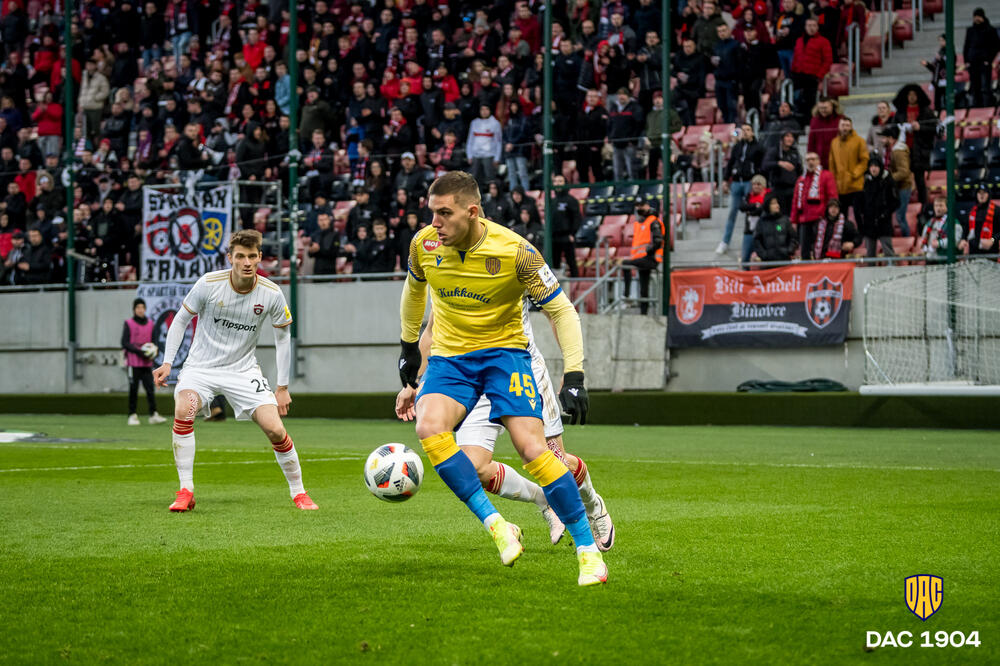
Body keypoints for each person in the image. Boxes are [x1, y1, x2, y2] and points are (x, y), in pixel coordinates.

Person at [394, 171, 606, 586]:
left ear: (471, 212)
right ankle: (497, 526)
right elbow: (414, 289)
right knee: (429, 426)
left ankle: (588, 551)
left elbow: (562, 310)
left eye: (444, 214)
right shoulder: (424, 244)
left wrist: (575, 373)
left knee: (533, 449)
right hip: (451, 359)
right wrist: (406, 346)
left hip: (505, 357)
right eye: (431, 213)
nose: (434, 224)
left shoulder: (515, 251)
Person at [398, 310, 615, 551]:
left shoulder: (516, 270)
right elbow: (431, 331)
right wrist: (411, 383)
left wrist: (572, 372)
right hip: (469, 371)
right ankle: (544, 500)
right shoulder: (446, 273)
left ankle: (594, 506)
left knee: (555, 462)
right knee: (473, 467)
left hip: (519, 367)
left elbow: (559, 311)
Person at [153, 230, 317, 512]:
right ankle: (185, 490)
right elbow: (180, 321)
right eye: (240, 256)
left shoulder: (272, 294)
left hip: (243, 371)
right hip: (200, 369)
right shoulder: (208, 283)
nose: (246, 262)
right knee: (185, 408)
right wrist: (168, 362)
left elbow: (282, 339)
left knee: (275, 429)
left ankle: (299, 493)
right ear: (230, 258)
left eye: (252, 256)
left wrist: (283, 387)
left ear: (260, 258)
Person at [718, 124, 764, 255]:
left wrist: (758, 179)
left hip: (750, 182)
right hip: (737, 182)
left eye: (748, 130)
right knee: (732, 212)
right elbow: (731, 161)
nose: (745, 132)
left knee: (752, 211)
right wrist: (726, 179)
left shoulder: (758, 147)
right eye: (743, 130)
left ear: (753, 132)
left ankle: (753, 241)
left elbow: (762, 165)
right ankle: (725, 242)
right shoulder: (737, 147)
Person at [122, 298, 167, 426]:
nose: (140, 310)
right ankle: (132, 415)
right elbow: (124, 343)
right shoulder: (129, 323)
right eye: (138, 308)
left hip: (147, 363)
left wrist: (154, 351)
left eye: (142, 307)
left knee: (150, 389)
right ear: (134, 309)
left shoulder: (150, 324)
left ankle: (153, 414)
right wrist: (140, 351)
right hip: (133, 362)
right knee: (133, 389)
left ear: (145, 309)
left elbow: (154, 342)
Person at [892, 85, 936, 205]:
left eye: (914, 95)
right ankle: (900, 205)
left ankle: (924, 207)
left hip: (919, 151)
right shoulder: (900, 112)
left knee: (920, 180)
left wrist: (920, 127)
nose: (911, 97)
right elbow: (893, 129)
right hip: (903, 151)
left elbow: (934, 128)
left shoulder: (925, 111)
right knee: (901, 179)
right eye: (909, 95)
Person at [791, 152, 838, 260]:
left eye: (813, 159)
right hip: (804, 220)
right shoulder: (801, 180)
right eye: (808, 160)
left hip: (820, 218)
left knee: (821, 249)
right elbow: (795, 201)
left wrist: (831, 215)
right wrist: (794, 220)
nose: (811, 162)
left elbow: (832, 197)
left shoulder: (826, 175)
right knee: (805, 251)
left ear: (818, 161)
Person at [623, 195, 664, 315]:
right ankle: (643, 313)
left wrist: (648, 251)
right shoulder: (639, 223)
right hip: (641, 259)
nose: (639, 208)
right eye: (637, 205)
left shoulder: (653, 221)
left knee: (625, 264)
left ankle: (626, 295)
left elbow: (658, 241)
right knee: (643, 288)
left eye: (641, 205)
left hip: (651, 258)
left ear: (647, 205)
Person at [828, 117, 869, 227]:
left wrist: (854, 174)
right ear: (839, 127)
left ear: (851, 127)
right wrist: (833, 180)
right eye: (843, 125)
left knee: (858, 214)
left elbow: (864, 160)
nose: (845, 128)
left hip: (856, 185)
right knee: (842, 215)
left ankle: (861, 235)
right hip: (840, 186)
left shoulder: (859, 141)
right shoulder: (834, 142)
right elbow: (832, 164)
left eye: (847, 125)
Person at [790, 18, 832, 123]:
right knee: (795, 98)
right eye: (809, 25)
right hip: (798, 74)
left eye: (813, 25)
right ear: (805, 27)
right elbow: (796, 58)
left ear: (817, 27)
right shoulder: (799, 41)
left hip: (812, 76)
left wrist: (819, 75)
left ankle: (809, 121)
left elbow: (828, 61)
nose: (811, 28)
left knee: (810, 101)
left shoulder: (823, 41)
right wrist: (793, 71)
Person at [858, 158, 899, 258]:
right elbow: (861, 201)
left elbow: (896, 201)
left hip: (884, 222)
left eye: (876, 166)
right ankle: (871, 272)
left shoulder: (888, 181)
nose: (873, 169)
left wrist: (885, 213)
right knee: (869, 253)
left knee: (888, 251)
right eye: (871, 166)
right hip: (869, 222)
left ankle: (892, 271)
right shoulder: (865, 182)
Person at [880, 125, 914, 237]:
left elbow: (904, 171)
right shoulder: (892, 150)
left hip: (903, 187)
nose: (881, 140)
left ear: (891, 138)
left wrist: (889, 178)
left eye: (884, 138)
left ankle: (906, 239)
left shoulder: (898, 151)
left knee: (900, 216)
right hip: (898, 187)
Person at [963, 8, 1000, 108]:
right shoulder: (970, 30)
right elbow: (966, 46)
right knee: (975, 86)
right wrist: (966, 60)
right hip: (973, 62)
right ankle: (977, 106)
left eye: (978, 17)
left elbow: (996, 46)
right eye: (975, 17)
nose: (976, 19)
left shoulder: (990, 30)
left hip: (984, 62)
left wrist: (989, 59)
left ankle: (987, 105)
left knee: (985, 86)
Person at [607, 88, 644, 181]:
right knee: (617, 171)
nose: (621, 97)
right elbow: (609, 124)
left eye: (623, 94)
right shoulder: (613, 107)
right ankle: (619, 191)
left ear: (628, 96)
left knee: (632, 169)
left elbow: (639, 125)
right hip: (616, 143)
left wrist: (633, 140)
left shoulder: (635, 107)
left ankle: (634, 191)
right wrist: (610, 137)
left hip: (629, 144)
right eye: (619, 94)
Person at [763, 130, 803, 215]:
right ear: (782, 139)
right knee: (780, 215)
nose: (790, 139)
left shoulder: (794, 152)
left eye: (792, 137)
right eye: (787, 136)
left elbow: (800, 170)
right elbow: (765, 165)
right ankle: (779, 229)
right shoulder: (774, 151)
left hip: (792, 188)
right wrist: (779, 163)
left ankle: (790, 228)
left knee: (792, 214)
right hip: (778, 189)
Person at [549, 175, 582, 277]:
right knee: (554, 264)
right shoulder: (552, 201)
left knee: (571, 262)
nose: (557, 183)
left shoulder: (571, 200)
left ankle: (576, 285)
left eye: (560, 181)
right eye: (555, 181)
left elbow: (577, 218)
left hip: (567, 236)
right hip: (554, 237)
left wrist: (572, 233)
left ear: (565, 183)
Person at [466, 104, 502, 188]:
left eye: (486, 109)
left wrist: (497, 157)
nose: (484, 112)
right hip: (476, 155)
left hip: (489, 155)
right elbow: (470, 140)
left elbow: (498, 142)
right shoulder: (474, 123)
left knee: (490, 179)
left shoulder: (495, 123)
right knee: (474, 179)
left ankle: (491, 197)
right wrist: (469, 155)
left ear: (490, 111)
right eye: (482, 109)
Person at [752, 194, 798, 262]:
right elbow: (756, 240)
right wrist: (764, 255)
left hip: (784, 261)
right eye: (773, 203)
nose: (777, 206)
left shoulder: (785, 220)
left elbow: (793, 238)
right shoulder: (761, 222)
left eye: (777, 203)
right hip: (768, 263)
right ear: (767, 206)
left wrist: (789, 250)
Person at [712, 23, 742, 124]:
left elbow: (740, 63)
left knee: (731, 107)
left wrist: (736, 78)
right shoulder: (716, 46)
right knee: (721, 105)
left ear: (729, 31)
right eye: (719, 31)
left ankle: (733, 128)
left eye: (724, 31)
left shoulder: (736, 45)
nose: (722, 33)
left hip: (731, 80)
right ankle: (726, 126)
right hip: (719, 80)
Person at [739, 175, 771, 264]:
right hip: (749, 231)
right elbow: (742, 207)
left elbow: (765, 208)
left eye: (758, 184)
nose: (756, 186)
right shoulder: (748, 196)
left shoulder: (769, 196)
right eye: (754, 184)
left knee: (766, 258)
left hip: (765, 232)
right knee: (745, 258)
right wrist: (754, 205)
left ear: (763, 185)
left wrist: (751, 210)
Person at [963, 187, 999, 256]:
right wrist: (963, 239)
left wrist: (992, 240)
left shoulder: (997, 210)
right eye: (979, 193)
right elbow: (966, 229)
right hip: (973, 251)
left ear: (988, 194)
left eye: (984, 193)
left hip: (991, 251)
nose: (981, 195)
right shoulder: (971, 211)